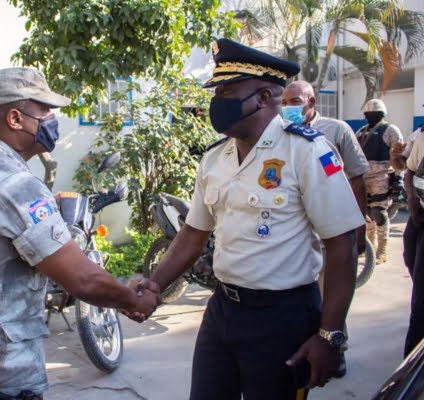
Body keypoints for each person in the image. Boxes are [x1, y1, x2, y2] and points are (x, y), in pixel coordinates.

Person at [128, 38, 364, 400]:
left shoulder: (307, 152)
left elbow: (341, 244)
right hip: (222, 310)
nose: (216, 102)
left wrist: (330, 334)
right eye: (216, 90)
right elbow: (193, 233)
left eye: (227, 90)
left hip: (281, 317)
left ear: (265, 98)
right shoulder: (214, 159)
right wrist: (155, 286)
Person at [0, 67, 159, 400]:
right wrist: (133, 299)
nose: (52, 119)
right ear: (15, 119)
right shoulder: (12, 184)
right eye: (44, 110)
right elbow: (83, 279)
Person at [281, 80, 369, 378]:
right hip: (298, 238)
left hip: (329, 236)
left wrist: (359, 226)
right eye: (286, 102)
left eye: (296, 101)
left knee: (329, 296)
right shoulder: (279, 135)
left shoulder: (336, 130)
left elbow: (356, 179)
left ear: (312, 101)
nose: (290, 108)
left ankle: (335, 349)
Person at [356, 99, 404, 264]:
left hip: (381, 177)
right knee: (367, 214)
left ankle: (382, 250)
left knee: (379, 214)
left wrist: (398, 179)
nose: (372, 117)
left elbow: (399, 156)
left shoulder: (390, 130)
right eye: (369, 114)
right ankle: (370, 247)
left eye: (375, 114)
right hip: (363, 178)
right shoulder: (361, 131)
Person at [401, 129, 424, 357]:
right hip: (419, 216)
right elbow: (409, 171)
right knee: (409, 257)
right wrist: (412, 198)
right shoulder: (423, 136)